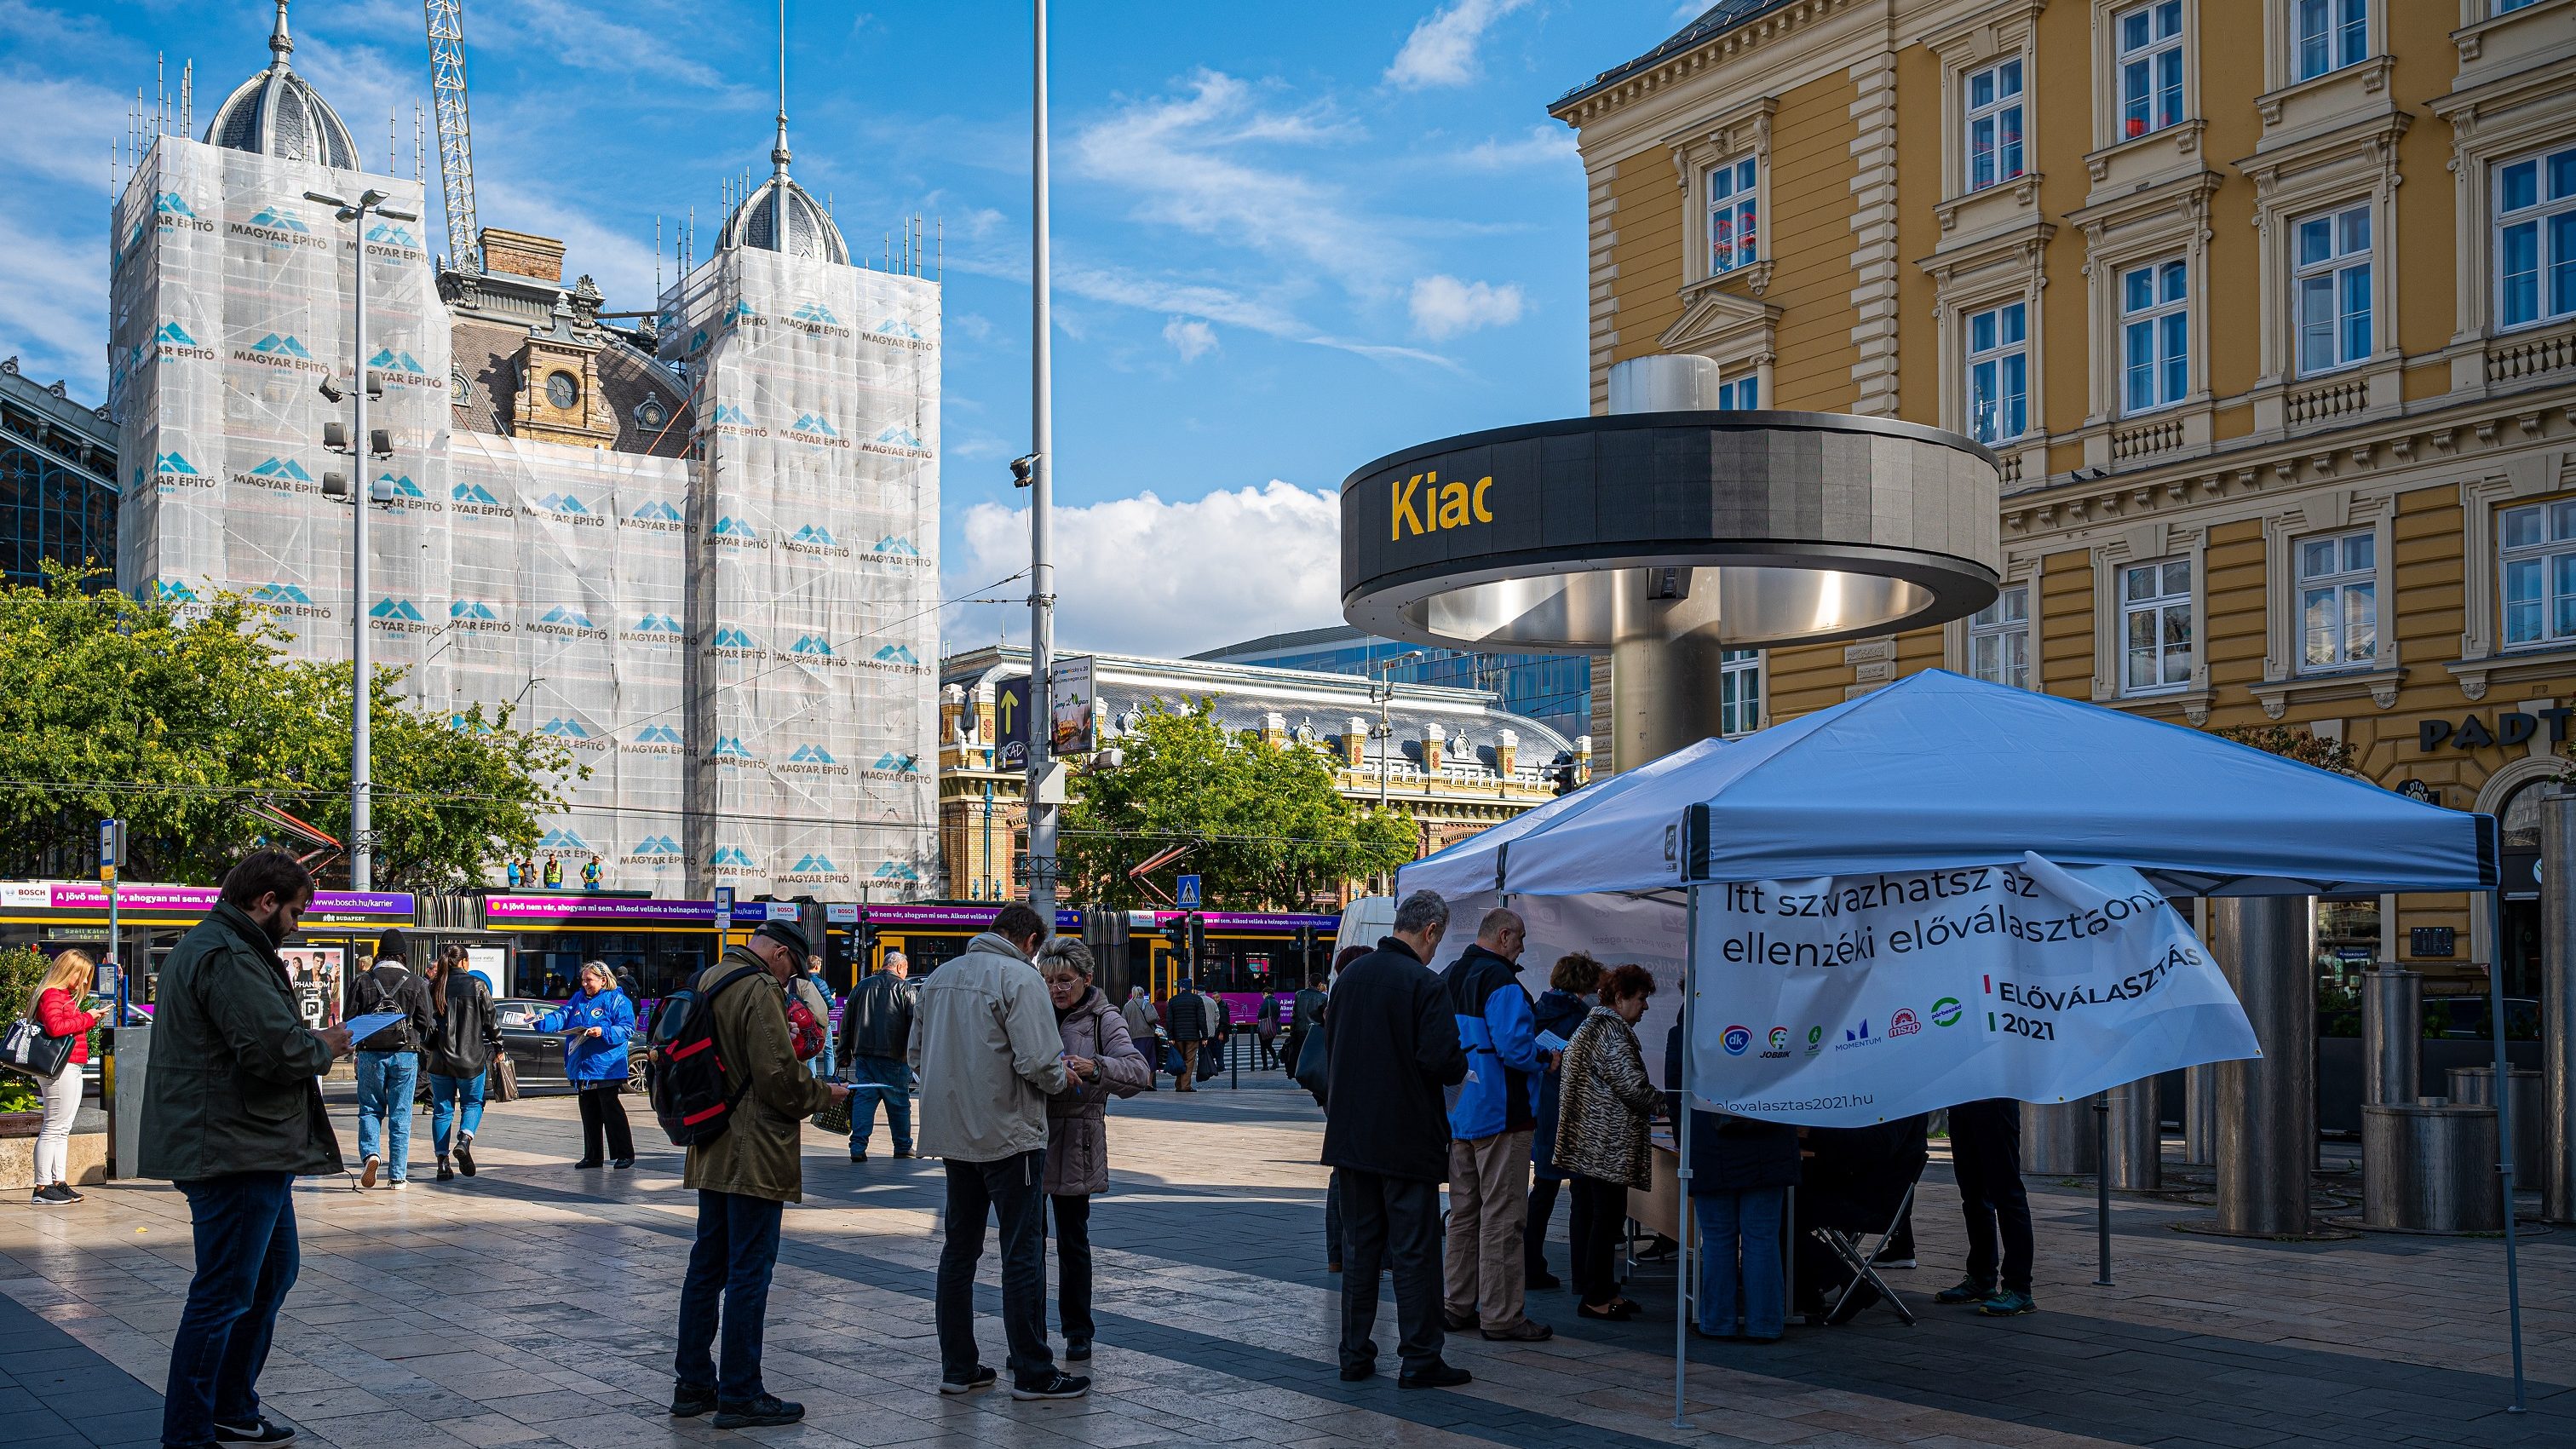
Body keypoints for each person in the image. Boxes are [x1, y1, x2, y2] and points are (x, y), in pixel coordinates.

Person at [142, 850, 354, 1449]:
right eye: (293, 911)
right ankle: (189, 1432)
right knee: (224, 1292)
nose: (296, 923)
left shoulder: (223, 946)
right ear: (265, 902)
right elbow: (274, 1051)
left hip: (249, 1144)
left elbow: (251, 1038)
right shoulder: (230, 954)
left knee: (270, 1276)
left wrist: (300, 1040)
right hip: (233, 1148)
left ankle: (233, 1408)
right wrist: (326, 1044)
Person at [671, 919, 849, 1430]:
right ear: (776, 954)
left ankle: (693, 1383)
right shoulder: (758, 987)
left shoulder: (711, 978)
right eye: (791, 967)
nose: (790, 979)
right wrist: (824, 1095)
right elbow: (778, 1077)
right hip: (753, 1150)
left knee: (707, 1265)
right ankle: (741, 1392)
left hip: (711, 1141)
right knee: (750, 1270)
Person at [913, 903, 1090, 1400]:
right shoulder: (1019, 978)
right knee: (1022, 1252)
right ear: (1031, 942)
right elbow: (1038, 1060)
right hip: (1010, 1136)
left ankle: (958, 1366)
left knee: (959, 1251)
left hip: (953, 1137)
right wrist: (1063, 1078)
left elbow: (915, 1054)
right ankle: (1034, 1371)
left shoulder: (939, 978)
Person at [1320, 890, 1470, 1390]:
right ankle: (1421, 1357)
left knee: (1361, 1247)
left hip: (1352, 1135)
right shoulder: (1425, 984)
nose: (1436, 950)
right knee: (1414, 1250)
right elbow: (1441, 1060)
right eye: (1438, 940)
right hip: (1406, 1136)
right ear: (1429, 931)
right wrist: (1460, 1061)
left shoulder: (1350, 978)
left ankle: (1354, 1353)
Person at [1439, 908, 1551, 1343]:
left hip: (1460, 1110)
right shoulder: (1502, 981)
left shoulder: (1450, 974)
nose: (1522, 947)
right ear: (1503, 936)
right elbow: (1516, 1049)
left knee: (1464, 1214)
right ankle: (1502, 1315)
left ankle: (1457, 1304)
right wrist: (1547, 1057)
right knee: (1503, 1218)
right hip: (1503, 1113)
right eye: (1520, 938)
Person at [1037, 937, 1150, 1361]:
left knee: (1072, 1241)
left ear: (1086, 978)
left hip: (1077, 1139)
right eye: (1049, 980)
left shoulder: (1105, 1017)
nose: (1057, 989)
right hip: (1030, 1136)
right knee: (1029, 1243)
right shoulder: (1032, 1010)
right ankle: (1032, 1337)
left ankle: (1077, 1331)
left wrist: (1095, 1066)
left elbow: (1138, 1072)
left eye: (1065, 980)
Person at [1664, 1018, 1797, 1341]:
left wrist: (1688, 1144)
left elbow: (1675, 1094)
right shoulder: (1777, 1020)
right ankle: (1765, 1324)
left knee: (1718, 1240)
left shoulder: (1687, 1030)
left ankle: (1717, 1322)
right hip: (1769, 1144)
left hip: (1710, 1147)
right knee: (1761, 1239)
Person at [1555, 963, 1659, 1322]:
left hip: (1593, 1142)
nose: (1645, 1007)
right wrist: (1666, 1102)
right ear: (1621, 997)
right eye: (1641, 999)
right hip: (1605, 1144)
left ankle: (1601, 1290)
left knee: (1599, 1218)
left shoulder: (1593, 1026)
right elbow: (1633, 1089)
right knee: (1605, 1220)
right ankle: (1597, 1297)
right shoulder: (1610, 1032)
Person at [1794, 1116, 1930, 1324]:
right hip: (1862, 1192)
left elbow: (1874, 1146)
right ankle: (1809, 1289)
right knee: (1783, 1209)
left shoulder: (1899, 1106)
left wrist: (1811, 1132)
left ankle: (1844, 1282)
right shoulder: (1896, 1099)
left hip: (1873, 1202)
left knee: (1780, 1215)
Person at [1526, 952, 1599, 1291]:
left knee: (1544, 1191)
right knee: (1583, 1195)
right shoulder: (1581, 1019)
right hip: (1574, 1112)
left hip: (1545, 1108)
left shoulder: (1540, 1010)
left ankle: (1529, 1265)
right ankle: (1585, 1274)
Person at [348, 928, 434, 1190]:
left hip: (370, 1054)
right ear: (402, 955)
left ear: (379, 954)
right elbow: (426, 1022)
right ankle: (397, 1176)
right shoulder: (417, 983)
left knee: (370, 1109)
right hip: (405, 1054)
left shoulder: (363, 981)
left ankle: (372, 1153)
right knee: (401, 1114)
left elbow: (349, 1019)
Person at [1936, 1098, 2038, 1317]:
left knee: (2007, 1194)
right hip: (1962, 1100)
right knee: (1972, 1194)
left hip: (1994, 1099)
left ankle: (2018, 1288)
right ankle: (1981, 1278)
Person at [540, 961, 637, 1168]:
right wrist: (539, 1021)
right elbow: (562, 1016)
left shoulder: (617, 1000)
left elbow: (627, 1029)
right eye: (583, 979)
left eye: (589, 980)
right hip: (582, 1067)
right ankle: (593, 1156)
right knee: (588, 1111)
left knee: (610, 1110)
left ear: (603, 980)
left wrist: (603, 1032)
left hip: (606, 1067)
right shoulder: (578, 999)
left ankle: (624, 1154)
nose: (584, 984)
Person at [423, 945, 503, 1183]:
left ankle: (442, 1163)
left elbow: (425, 1023)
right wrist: (498, 1046)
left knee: (442, 1110)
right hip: (470, 1060)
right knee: (473, 1103)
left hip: (439, 1061)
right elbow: (491, 1020)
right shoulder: (477, 985)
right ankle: (464, 1140)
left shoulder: (434, 986)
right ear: (465, 962)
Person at [26, 948, 101, 1205]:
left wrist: (86, 1018)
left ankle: (58, 1182)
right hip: (61, 1067)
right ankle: (42, 1187)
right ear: (67, 970)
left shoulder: (62, 995)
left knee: (63, 1128)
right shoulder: (52, 994)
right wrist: (87, 1018)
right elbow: (56, 1028)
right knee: (53, 1127)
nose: (83, 983)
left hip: (71, 1066)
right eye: (81, 976)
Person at [1317, 944, 1369, 1274]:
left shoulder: (1335, 1001)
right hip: (1354, 1097)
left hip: (1334, 1094)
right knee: (1356, 1172)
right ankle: (1362, 1251)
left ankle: (1337, 1252)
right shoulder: (1354, 1003)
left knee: (1341, 1173)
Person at [838, 949, 917, 1161]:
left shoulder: (861, 986)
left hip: (864, 1053)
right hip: (895, 1054)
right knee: (899, 1101)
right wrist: (916, 1055)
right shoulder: (906, 989)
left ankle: (857, 1147)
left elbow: (847, 1022)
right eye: (906, 969)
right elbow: (915, 1026)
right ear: (900, 967)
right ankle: (902, 1145)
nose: (905, 973)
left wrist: (843, 1052)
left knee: (865, 1098)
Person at [1163, 977, 1211, 1091]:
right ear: (1191, 988)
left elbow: (1169, 1020)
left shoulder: (1173, 1000)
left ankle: (1179, 1085)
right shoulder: (1197, 1000)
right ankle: (1185, 1086)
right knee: (1189, 1061)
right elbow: (1201, 1019)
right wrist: (1205, 1036)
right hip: (1192, 1036)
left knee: (1179, 1059)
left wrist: (1170, 1036)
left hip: (1177, 1036)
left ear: (1181, 987)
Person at [797, 955, 836, 1082]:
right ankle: (829, 1079)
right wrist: (833, 998)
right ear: (817, 966)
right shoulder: (820, 983)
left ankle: (812, 1079)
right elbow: (830, 1004)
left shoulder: (800, 981)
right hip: (822, 1022)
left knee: (811, 1052)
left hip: (806, 1022)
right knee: (829, 1050)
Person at [1286, 975, 1325, 1088]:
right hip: (1314, 1031)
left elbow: (1294, 1016)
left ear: (1309, 982)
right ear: (1319, 984)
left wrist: (1292, 1032)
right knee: (1313, 1057)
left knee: (1300, 1055)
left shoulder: (1299, 994)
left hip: (1300, 1030)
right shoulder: (1323, 998)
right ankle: (1310, 1079)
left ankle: (1301, 1079)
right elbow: (1324, 1017)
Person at [1119, 985, 1159, 1090]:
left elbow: (1123, 1021)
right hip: (1147, 1035)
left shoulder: (1127, 1006)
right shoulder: (1146, 1004)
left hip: (1133, 1036)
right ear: (1142, 993)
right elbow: (1153, 1018)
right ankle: (1149, 1084)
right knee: (1150, 1060)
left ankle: (1137, 1083)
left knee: (1136, 1060)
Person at [1254, 990, 1281, 1069]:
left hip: (1265, 1027)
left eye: (1263, 994)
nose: (1263, 996)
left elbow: (1260, 1014)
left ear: (1266, 993)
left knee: (1263, 1047)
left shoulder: (1266, 1002)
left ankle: (1265, 1065)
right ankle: (1276, 1062)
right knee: (1269, 1046)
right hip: (1273, 1027)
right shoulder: (1276, 1002)